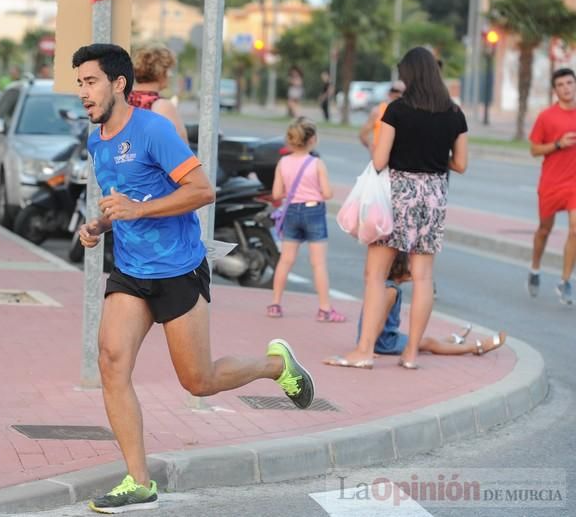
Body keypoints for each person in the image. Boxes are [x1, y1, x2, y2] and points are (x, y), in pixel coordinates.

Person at [72, 43, 316, 514]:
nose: (83, 92)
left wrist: (139, 210)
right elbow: (122, 200)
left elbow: (202, 190)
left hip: (178, 269)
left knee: (198, 382)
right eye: (79, 83)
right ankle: (138, 481)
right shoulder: (97, 139)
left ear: (119, 83)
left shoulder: (154, 130)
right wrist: (100, 224)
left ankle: (276, 365)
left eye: (91, 81)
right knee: (110, 362)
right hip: (130, 270)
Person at [325, 46, 468, 370]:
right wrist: (432, 156)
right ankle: (411, 354)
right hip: (433, 196)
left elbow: (379, 160)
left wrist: (405, 149)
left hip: (398, 195)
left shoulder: (396, 110)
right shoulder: (454, 113)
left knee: (375, 275)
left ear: (409, 75)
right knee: (423, 277)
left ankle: (364, 351)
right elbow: (460, 163)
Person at [326, 253, 506, 366]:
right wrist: (369, 346)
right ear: (399, 269)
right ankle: (476, 348)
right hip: (384, 342)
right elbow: (378, 320)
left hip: (385, 338)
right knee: (428, 343)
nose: (414, 269)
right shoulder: (390, 291)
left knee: (423, 341)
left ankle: (451, 340)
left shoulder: (387, 287)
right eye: (410, 266)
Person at [267, 117, 345, 323]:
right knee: (318, 263)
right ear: (313, 140)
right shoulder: (316, 163)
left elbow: (276, 193)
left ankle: (275, 304)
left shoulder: (283, 162)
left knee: (286, 260)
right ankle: (324, 309)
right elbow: (327, 193)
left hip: (291, 211)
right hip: (314, 211)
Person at [527, 67, 576, 305]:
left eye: (570, 83)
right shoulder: (546, 117)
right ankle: (535, 268)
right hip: (551, 183)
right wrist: (558, 144)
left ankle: (565, 281)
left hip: (574, 185)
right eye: (561, 85)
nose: (567, 88)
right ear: (555, 90)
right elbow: (534, 150)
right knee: (544, 230)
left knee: (575, 230)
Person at [128, 43, 188, 142]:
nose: (171, 75)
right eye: (169, 70)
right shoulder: (162, 106)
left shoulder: (122, 99)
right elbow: (182, 147)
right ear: (161, 72)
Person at [359, 80, 405, 154]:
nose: (399, 94)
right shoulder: (378, 111)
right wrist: (371, 147)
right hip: (380, 158)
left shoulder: (407, 113)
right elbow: (363, 134)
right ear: (389, 92)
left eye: (402, 92)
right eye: (394, 91)